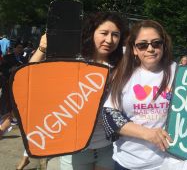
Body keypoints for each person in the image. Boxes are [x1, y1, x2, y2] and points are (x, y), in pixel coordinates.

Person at [25, 12, 127, 170]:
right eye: (104, 33)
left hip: (108, 147)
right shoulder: (73, 61)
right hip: (75, 149)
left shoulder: (121, 67)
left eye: (115, 35)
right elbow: (30, 79)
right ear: (92, 33)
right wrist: (41, 49)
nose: (109, 40)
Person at [103, 20, 187, 170]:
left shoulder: (179, 73)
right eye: (142, 45)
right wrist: (147, 134)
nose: (150, 49)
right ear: (134, 49)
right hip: (128, 162)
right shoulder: (123, 74)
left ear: (163, 45)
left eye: (156, 43)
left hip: (167, 163)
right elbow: (109, 115)